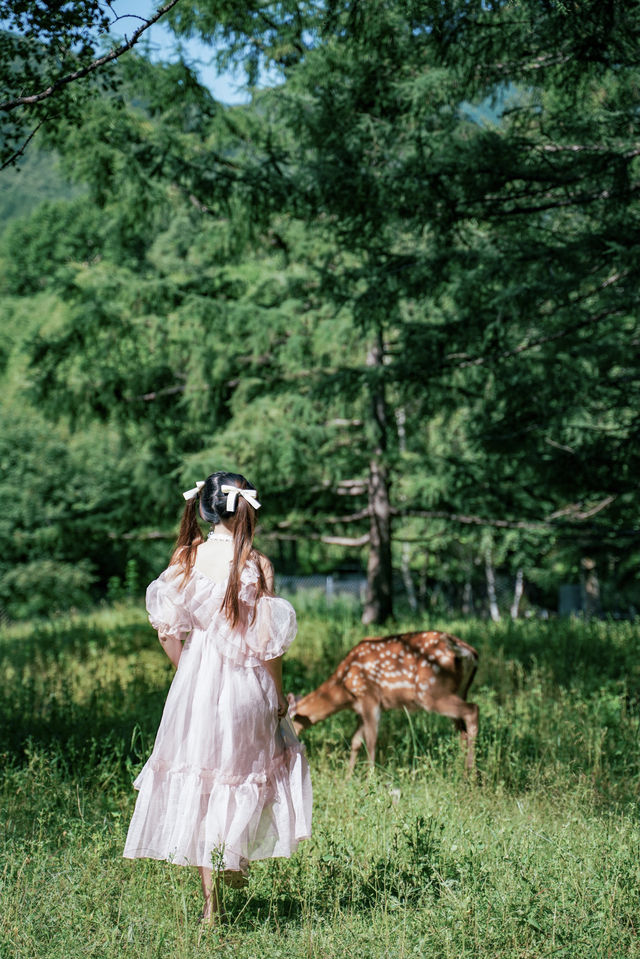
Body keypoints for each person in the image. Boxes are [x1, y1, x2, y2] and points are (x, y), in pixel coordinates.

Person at [123, 470, 312, 923]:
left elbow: (167, 628)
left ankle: (211, 908)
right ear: (245, 507)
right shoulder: (256, 563)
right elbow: (269, 643)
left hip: (198, 684)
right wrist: (278, 695)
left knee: (205, 780)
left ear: (205, 509)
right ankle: (235, 857)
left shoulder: (187, 558)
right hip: (247, 687)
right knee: (243, 773)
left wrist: (187, 669)